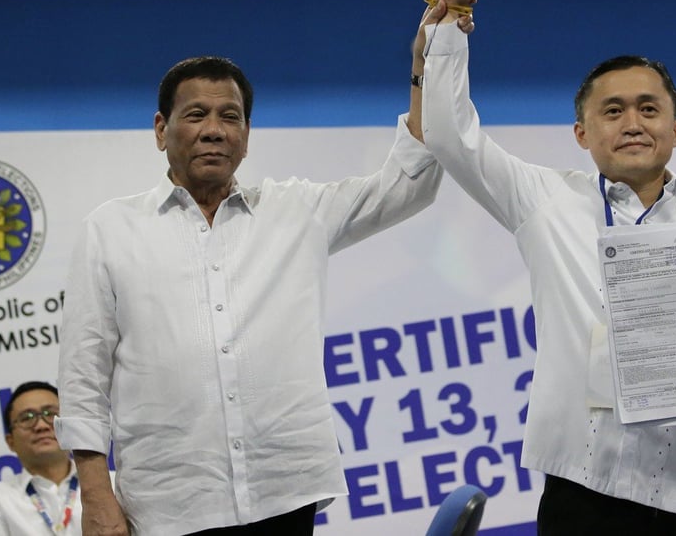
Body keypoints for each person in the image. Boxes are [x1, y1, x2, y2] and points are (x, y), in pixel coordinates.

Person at [417, 0, 676, 535]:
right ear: (582, 133)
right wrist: (450, 20)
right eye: (613, 111)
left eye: (649, 109)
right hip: (583, 492)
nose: (633, 123)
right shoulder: (543, 201)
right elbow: (447, 133)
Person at [54, 34, 473, 535]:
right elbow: (84, 376)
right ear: (161, 129)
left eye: (230, 117)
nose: (214, 131)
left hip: (284, 493)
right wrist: (95, 494)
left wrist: (428, 62)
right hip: (170, 507)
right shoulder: (109, 230)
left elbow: (410, 184)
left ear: (247, 136)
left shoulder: (296, 211)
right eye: (196, 115)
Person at [0, 381, 89, 536]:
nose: (41, 426)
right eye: (27, 418)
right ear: (10, 441)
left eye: (50, 414)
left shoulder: (111, 483)